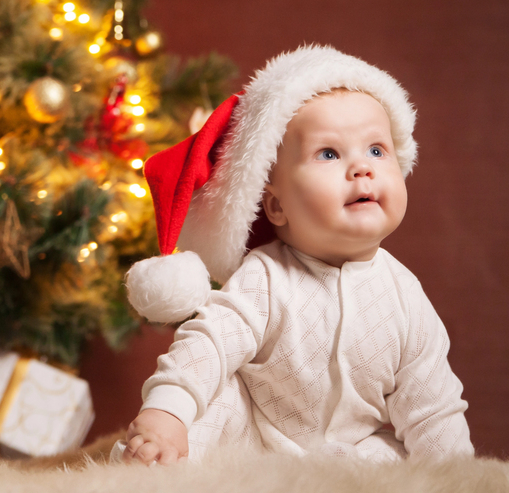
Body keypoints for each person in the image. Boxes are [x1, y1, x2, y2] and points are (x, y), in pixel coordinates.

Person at [118, 44, 473, 465]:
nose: (362, 168)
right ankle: (156, 459)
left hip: (353, 451)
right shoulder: (265, 276)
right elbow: (209, 345)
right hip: (255, 438)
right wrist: (166, 412)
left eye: (377, 150)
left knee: (395, 453)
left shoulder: (405, 296)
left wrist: (455, 480)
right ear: (276, 206)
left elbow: (433, 405)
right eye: (329, 153)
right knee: (219, 399)